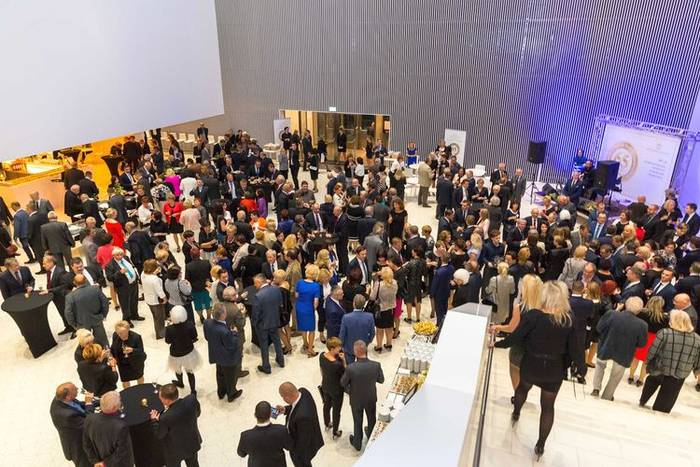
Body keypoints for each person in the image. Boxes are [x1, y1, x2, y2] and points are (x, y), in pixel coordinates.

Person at [494, 281, 586, 459]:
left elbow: (516, 337)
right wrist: (582, 369)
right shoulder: (568, 320)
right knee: (548, 407)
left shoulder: (533, 316)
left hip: (531, 363)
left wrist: (498, 344)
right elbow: (576, 349)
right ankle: (540, 445)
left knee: (522, 389)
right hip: (554, 369)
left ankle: (516, 412)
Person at [640, 310, 700, 413]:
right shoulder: (697, 339)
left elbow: (653, 350)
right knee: (668, 398)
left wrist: (648, 361)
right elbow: (698, 357)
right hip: (680, 372)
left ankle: (643, 401)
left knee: (651, 383)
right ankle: (660, 412)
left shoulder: (664, 333)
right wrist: (697, 370)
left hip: (660, 367)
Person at [592, 296, 648, 401]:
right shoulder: (642, 325)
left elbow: (599, 328)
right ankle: (607, 395)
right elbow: (641, 344)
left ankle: (596, 388)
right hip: (624, 353)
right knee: (616, 375)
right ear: (640, 310)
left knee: (599, 366)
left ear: (626, 305)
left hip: (606, 346)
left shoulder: (611, 314)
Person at [340, 340, 385, 451]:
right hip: (370, 398)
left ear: (355, 352)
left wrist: (350, 390)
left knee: (357, 421)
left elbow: (343, 383)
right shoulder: (376, 365)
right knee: (372, 419)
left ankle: (357, 444)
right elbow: (381, 380)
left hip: (356, 400)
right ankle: (371, 438)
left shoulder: (351, 368)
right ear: (366, 350)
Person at [149, 383, 202, 467]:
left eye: (161, 398)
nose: (160, 399)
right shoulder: (191, 399)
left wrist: (154, 420)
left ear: (167, 401)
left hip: (174, 451)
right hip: (191, 444)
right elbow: (197, 413)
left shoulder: (165, 418)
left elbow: (159, 434)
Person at [276, 382, 324, 467]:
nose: (283, 399)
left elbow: (302, 442)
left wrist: (288, 445)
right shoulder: (303, 391)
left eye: (282, 396)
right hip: (303, 437)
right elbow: (295, 406)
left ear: (287, 397)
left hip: (301, 452)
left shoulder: (303, 417)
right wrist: (285, 409)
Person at [82, 391, 134, 466]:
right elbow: (122, 451)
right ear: (114, 407)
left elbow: (86, 443)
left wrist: (96, 461)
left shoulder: (89, 418)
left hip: (99, 460)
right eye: (119, 401)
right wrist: (105, 463)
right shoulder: (121, 426)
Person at [204, 304, 243, 402]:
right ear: (222, 315)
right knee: (230, 377)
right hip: (227, 358)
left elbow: (207, 337)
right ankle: (231, 394)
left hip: (216, 354)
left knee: (220, 374)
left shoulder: (207, 323)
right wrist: (234, 333)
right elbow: (232, 345)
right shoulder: (224, 331)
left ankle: (221, 392)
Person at [50, 382, 94, 467]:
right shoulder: (67, 416)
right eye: (75, 389)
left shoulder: (62, 399)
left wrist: (100, 402)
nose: (77, 388)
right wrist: (89, 403)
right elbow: (88, 422)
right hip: (79, 447)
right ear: (67, 397)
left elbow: (78, 405)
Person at [237, 401, 293, 467]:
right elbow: (289, 446)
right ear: (270, 415)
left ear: (255, 415)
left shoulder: (245, 436)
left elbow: (241, 454)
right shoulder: (281, 430)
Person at [628, 296, 668, 386]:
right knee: (646, 362)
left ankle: (631, 376)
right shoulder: (665, 318)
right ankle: (641, 380)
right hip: (654, 341)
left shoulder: (641, 313)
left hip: (641, 337)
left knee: (635, 359)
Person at [251, 273, 286, 373]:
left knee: (264, 345)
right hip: (274, 321)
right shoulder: (276, 289)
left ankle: (266, 367)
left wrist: (254, 324)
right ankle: (281, 361)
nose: (254, 285)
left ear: (259, 282)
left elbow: (256, 314)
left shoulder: (258, 296)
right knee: (277, 341)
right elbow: (280, 304)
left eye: (255, 283)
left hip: (262, 325)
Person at [65, 274, 110, 346]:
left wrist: (75, 325)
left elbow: (68, 313)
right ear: (85, 280)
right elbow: (105, 303)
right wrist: (103, 315)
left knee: (86, 345)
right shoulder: (95, 289)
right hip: (97, 319)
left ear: (74, 282)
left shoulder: (70, 296)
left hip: (81, 323)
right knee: (103, 341)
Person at [165, 305, 201, 393]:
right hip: (189, 352)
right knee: (190, 372)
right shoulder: (190, 325)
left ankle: (180, 382)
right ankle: (193, 390)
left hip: (175, 353)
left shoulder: (169, 329)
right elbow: (195, 337)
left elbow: (168, 341)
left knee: (178, 370)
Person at [105, 247, 141, 325]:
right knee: (125, 304)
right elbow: (110, 278)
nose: (120, 256)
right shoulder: (109, 265)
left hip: (133, 283)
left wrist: (137, 277)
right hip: (123, 287)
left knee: (134, 300)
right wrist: (120, 273)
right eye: (117, 255)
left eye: (121, 254)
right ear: (113, 255)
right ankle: (127, 320)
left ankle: (135, 315)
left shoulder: (126, 258)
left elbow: (132, 267)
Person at [319, 337, 346, 439]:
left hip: (325, 386)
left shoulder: (322, 356)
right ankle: (335, 432)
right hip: (337, 390)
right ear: (332, 348)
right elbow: (346, 374)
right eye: (338, 347)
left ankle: (327, 424)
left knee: (326, 405)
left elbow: (321, 369)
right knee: (336, 411)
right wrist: (343, 360)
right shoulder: (337, 364)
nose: (340, 349)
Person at [369, 267, 399, 352]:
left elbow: (372, 297)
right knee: (389, 327)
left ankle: (379, 346)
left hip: (381, 309)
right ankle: (389, 344)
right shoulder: (395, 283)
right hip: (391, 309)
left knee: (379, 329)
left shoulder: (379, 285)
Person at [339, 295, 375, 364]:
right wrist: (368, 342)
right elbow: (372, 332)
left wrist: (342, 345)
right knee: (362, 366)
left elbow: (342, 334)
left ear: (354, 303)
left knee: (350, 366)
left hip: (349, 347)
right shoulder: (370, 316)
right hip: (363, 346)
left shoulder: (346, 317)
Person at [110, 321, 146, 388]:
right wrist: (112, 357)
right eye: (118, 333)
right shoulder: (115, 335)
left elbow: (141, 351)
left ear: (128, 330)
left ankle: (142, 389)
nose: (119, 335)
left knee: (139, 377)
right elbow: (113, 347)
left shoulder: (136, 337)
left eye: (121, 333)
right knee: (125, 380)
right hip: (122, 364)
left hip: (135, 362)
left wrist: (132, 350)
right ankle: (127, 392)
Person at [295, 264, 322, 357]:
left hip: (299, 306)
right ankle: (310, 349)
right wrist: (313, 309)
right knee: (311, 329)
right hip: (309, 308)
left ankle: (305, 343)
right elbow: (316, 302)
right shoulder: (316, 286)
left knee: (303, 327)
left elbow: (296, 295)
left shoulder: (299, 282)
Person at [141, 258, 167, 339]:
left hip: (148, 299)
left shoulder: (143, 274)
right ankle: (160, 334)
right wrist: (164, 298)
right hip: (156, 301)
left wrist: (155, 273)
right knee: (160, 318)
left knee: (155, 317)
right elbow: (159, 291)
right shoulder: (154, 279)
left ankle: (159, 331)